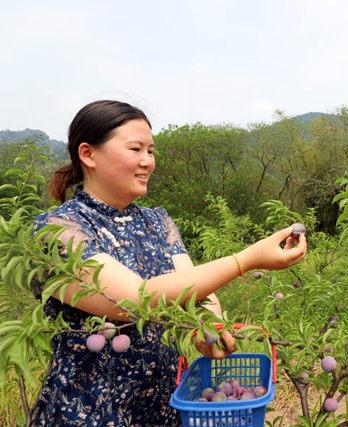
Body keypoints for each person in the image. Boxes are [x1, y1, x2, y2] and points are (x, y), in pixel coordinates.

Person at [30, 100, 307, 427]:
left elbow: (196, 291)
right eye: (136, 149)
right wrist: (245, 260)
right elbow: (133, 301)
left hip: (164, 405)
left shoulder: (157, 222)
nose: (147, 161)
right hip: (89, 409)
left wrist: (210, 326)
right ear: (88, 154)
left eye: (151, 151)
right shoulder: (57, 231)